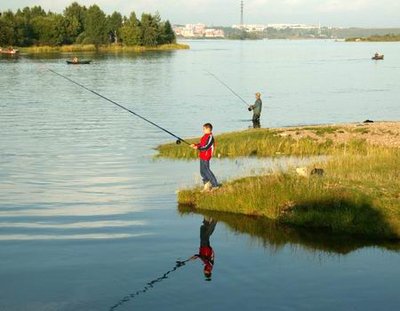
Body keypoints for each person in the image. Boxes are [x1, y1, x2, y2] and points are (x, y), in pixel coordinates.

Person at [190, 123, 219, 191]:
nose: (203, 130)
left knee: (207, 170)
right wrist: (195, 145)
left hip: (206, 156)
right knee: (202, 171)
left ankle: (215, 185)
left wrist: (197, 148)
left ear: (208, 129)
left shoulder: (210, 137)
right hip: (202, 155)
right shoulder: (205, 136)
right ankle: (207, 185)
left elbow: (206, 147)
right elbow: (201, 144)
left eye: (204, 129)